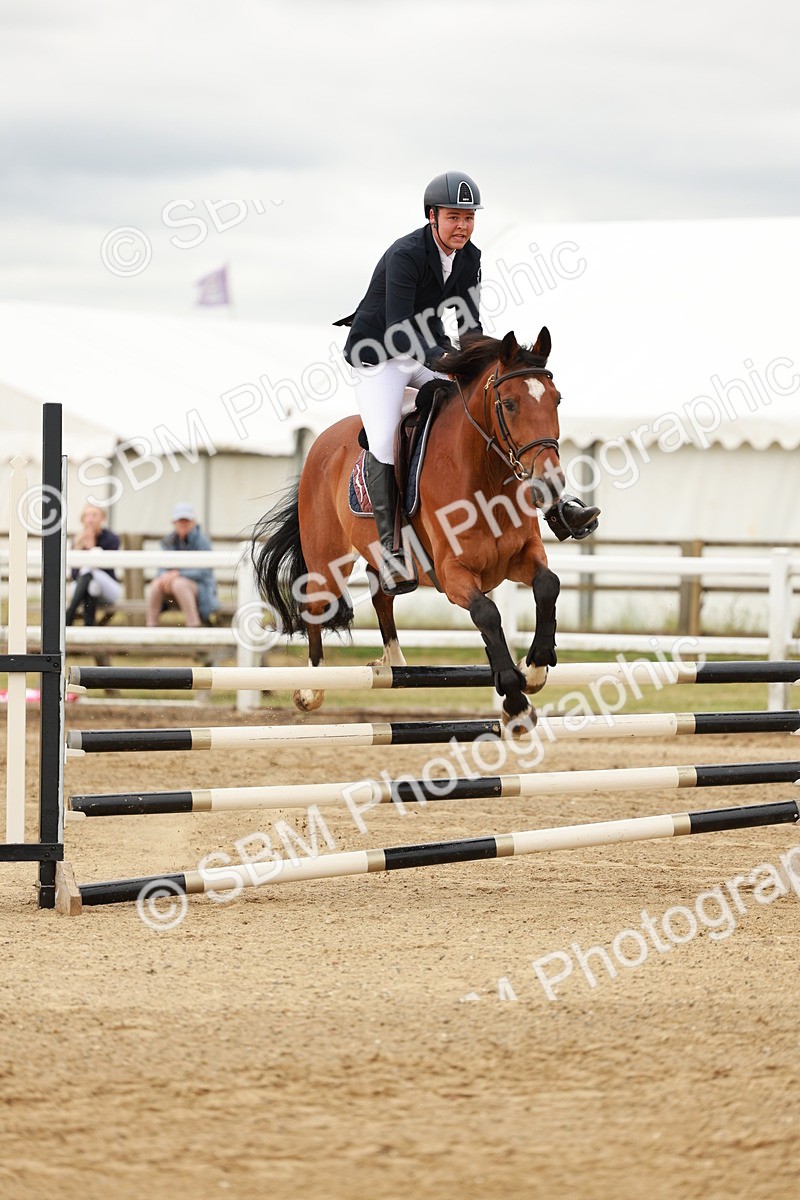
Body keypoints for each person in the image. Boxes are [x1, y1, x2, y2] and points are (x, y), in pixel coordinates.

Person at [335, 171, 599, 595]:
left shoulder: (470, 257)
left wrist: (488, 361)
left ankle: (556, 508)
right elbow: (400, 330)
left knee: (485, 409)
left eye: (469, 217)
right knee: (383, 440)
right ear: (432, 216)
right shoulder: (405, 255)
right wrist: (445, 359)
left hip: (424, 351)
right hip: (379, 356)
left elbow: (469, 326)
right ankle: (391, 551)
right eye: (454, 217)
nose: (462, 225)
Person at [146, 503, 218, 628]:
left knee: (179, 584)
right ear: (174, 522)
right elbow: (161, 567)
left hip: (200, 589)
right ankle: (151, 627)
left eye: (186, 520)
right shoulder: (168, 541)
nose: (183, 523)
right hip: (172, 586)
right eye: (180, 520)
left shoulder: (202, 541)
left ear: (193, 522)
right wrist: (167, 577)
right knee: (157, 584)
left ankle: (193, 625)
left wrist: (178, 574)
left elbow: (204, 571)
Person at [65, 504, 122, 626]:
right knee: (92, 585)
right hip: (85, 589)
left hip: (107, 589)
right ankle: (89, 627)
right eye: (87, 515)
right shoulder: (77, 540)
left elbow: (107, 568)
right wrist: (84, 548)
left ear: (103, 518)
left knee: (89, 571)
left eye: (94, 515)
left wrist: (91, 548)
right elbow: (75, 574)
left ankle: (69, 614)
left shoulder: (111, 538)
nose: (90, 519)